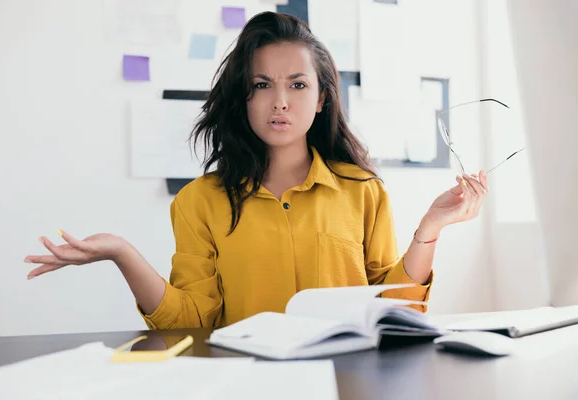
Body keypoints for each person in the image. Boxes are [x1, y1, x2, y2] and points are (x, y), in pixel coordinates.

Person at [24, 12, 488, 329]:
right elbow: (192, 322)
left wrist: (429, 229)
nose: (280, 101)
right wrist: (122, 253)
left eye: (298, 84)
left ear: (322, 97)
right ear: (243, 96)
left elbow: (394, 310)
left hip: (348, 380)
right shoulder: (198, 202)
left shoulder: (363, 191)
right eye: (262, 84)